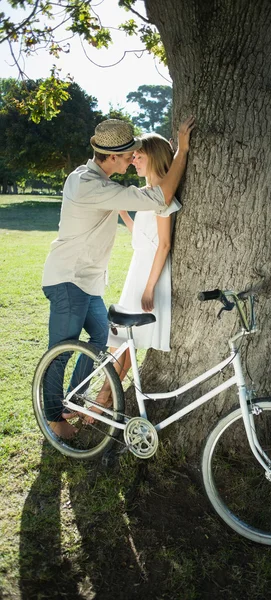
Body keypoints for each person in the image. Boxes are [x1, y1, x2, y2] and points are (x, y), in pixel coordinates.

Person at [42, 116, 195, 439]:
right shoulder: (90, 185)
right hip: (69, 279)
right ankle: (54, 417)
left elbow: (149, 208)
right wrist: (182, 150)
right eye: (128, 156)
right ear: (112, 157)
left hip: (88, 282)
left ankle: (76, 401)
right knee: (62, 350)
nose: (131, 160)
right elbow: (159, 199)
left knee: (101, 342)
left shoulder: (94, 181)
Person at [91, 133, 179, 414]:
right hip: (137, 272)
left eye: (139, 156)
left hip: (148, 278)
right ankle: (103, 400)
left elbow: (163, 245)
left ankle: (102, 401)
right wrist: (126, 217)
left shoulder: (162, 198)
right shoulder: (146, 194)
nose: (134, 161)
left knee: (126, 344)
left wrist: (150, 287)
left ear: (154, 157)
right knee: (122, 344)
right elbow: (145, 239)